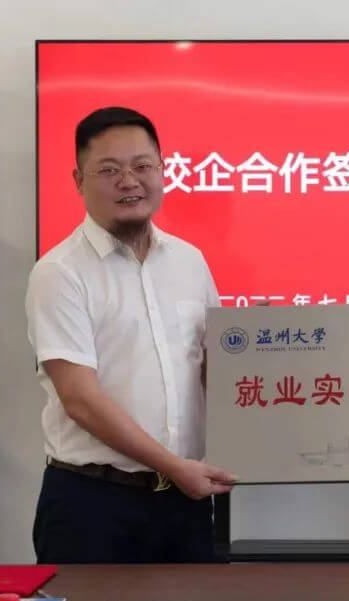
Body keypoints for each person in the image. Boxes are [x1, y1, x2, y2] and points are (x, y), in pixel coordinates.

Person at [26, 106, 236, 564]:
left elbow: (213, 368)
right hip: (92, 504)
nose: (129, 181)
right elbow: (80, 399)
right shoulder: (59, 273)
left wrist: (260, 347)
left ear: (162, 171)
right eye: (109, 170)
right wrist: (174, 467)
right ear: (79, 180)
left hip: (184, 504)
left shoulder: (189, 261)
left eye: (143, 166)